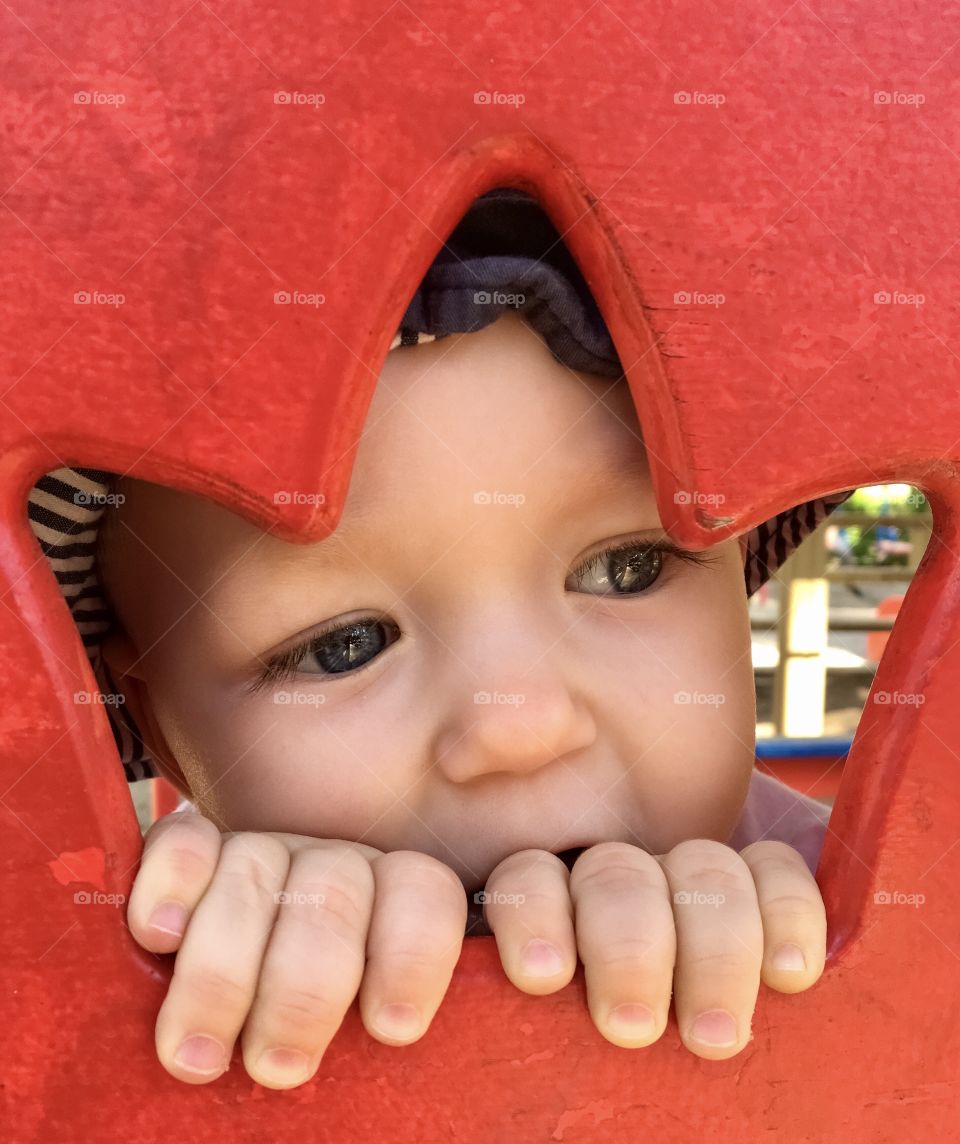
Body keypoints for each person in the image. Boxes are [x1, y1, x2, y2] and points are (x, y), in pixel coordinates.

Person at [28, 189, 851, 1090]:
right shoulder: (155, 932)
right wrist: (208, 961)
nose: (519, 726)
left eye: (627, 569)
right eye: (343, 645)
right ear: (159, 727)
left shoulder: (848, 887)